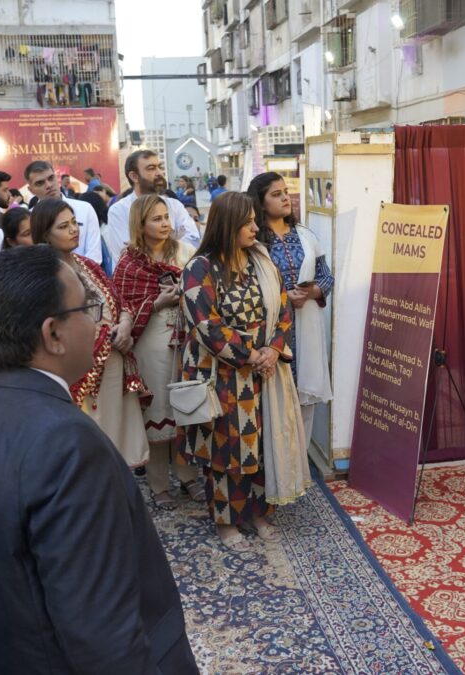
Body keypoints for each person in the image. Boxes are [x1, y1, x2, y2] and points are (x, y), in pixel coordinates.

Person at [0, 245, 199, 674]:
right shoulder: (68, 443)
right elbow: (101, 630)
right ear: (53, 333)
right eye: (87, 308)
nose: (96, 322)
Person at [177, 192, 308, 550]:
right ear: (227, 224)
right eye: (247, 221)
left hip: (264, 372)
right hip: (221, 376)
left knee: (264, 446)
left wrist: (273, 350)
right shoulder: (199, 268)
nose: (255, 226)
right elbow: (206, 326)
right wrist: (252, 355)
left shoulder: (262, 262)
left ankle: (258, 513)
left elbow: (283, 310)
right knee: (226, 451)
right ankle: (226, 523)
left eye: (255, 219)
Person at [30, 199, 149, 467]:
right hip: (80, 370)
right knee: (92, 443)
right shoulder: (43, 273)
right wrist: (106, 333)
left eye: (74, 223)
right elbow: (55, 324)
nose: (73, 230)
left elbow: (119, 301)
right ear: (45, 233)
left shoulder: (87, 264)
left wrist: (126, 324)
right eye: (63, 226)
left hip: (114, 361)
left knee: (117, 441)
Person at [113, 195, 204, 507]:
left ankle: (189, 476)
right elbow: (121, 306)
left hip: (187, 340)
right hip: (151, 343)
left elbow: (204, 289)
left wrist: (183, 295)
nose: (165, 223)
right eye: (156, 218)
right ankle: (158, 484)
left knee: (186, 406)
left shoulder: (184, 252)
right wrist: (156, 303)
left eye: (167, 217)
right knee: (157, 411)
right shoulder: (129, 263)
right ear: (140, 223)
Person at [249, 172, 334, 444]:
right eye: (276, 194)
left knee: (305, 395)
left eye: (285, 191)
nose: (285, 197)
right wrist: (286, 298)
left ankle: (302, 468)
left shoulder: (305, 235)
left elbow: (326, 276)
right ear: (260, 203)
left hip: (306, 325)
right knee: (273, 399)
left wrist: (312, 292)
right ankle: (277, 467)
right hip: (271, 331)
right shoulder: (254, 241)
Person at [106, 151, 201, 261]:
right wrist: (173, 240)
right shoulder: (119, 210)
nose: (159, 173)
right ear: (134, 176)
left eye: (160, 167)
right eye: (151, 168)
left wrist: (154, 244)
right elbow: (127, 255)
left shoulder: (175, 205)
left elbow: (193, 241)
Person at [23, 160, 103, 264]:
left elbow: (94, 256)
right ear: (31, 190)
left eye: (51, 178)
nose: (48, 185)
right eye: (40, 183)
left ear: (56, 178)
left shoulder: (85, 209)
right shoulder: (29, 219)